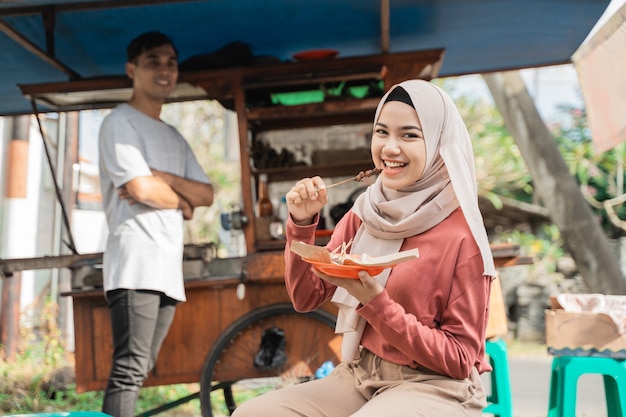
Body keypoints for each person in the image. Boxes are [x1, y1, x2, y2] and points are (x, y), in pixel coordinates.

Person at [232, 79, 497, 417]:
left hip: (435, 385)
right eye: (382, 132)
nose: (389, 147)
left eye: (409, 135)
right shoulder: (367, 210)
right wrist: (301, 225)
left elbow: (459, 360)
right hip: (360, 376)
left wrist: (376, 303)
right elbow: (306, 297)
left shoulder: (462, 234)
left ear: (439, 144)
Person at [98, 31, 214, 417]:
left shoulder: (172, 135)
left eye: (171, 62)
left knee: (142, 367)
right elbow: (138, 187)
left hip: (166, 267)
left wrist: (163, 179)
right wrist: (180, 200)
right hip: (135, 264)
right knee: (129, 369)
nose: (164, 70)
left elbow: (206, 195)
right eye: (153, 61)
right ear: (132, 69)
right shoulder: (119, 122)